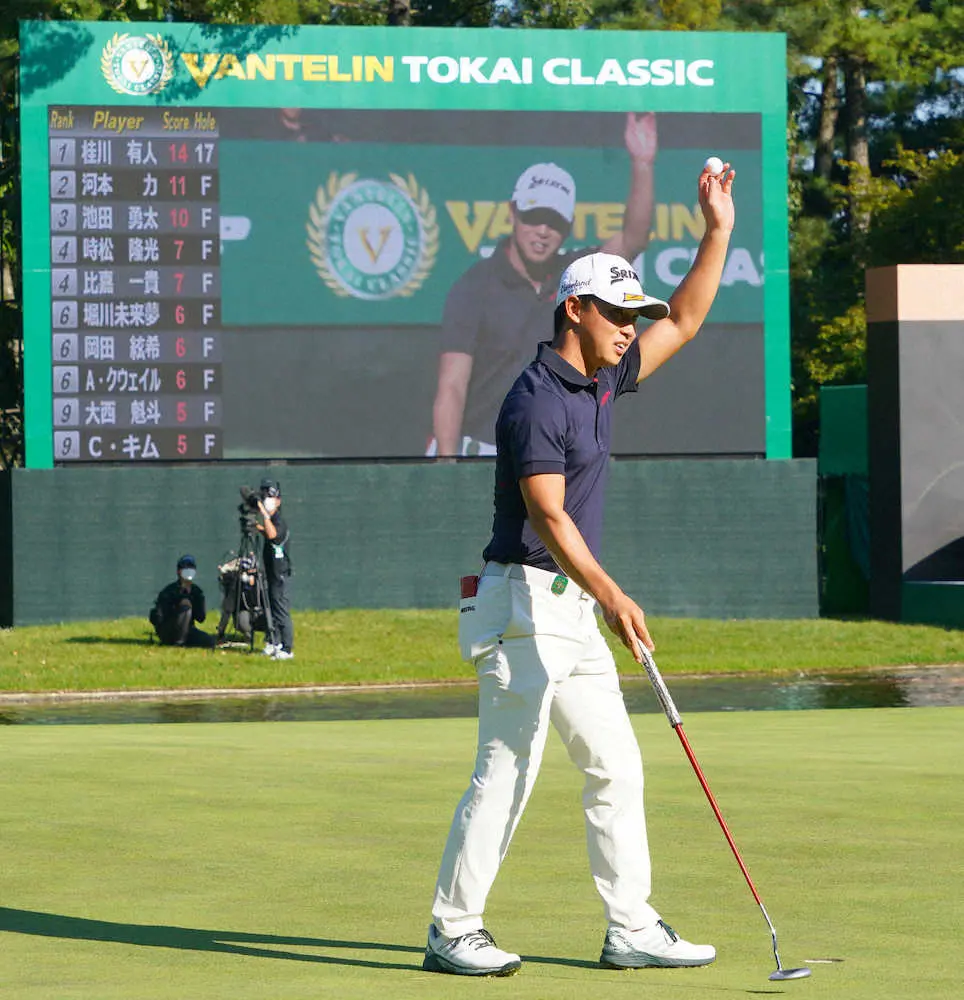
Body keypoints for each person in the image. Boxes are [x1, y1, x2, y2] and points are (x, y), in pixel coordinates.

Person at [422, 162, 736, 977]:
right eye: (619, 313)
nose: (632, 327)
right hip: (523, 603)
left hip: (571, 611)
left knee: (615, 766)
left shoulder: (599, 382)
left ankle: (629, 926)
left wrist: (718, 231)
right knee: (507, 770)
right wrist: (615, 594)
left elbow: (691, 319)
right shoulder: (534, 398)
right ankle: (453, 928)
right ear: (576, 308)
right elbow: (548, 516)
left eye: (636, 315)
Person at [429, 112, 658, 458]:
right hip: (482, 456)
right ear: (513, 213)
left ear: (567, 227)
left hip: (552, 456)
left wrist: (642, 164)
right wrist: (447, 469)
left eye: (554, 221)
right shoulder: (474, 287)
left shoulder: (577, 274)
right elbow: (452, 386)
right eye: (533, 216)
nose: (542, 230)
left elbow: (633, 238)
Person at [256, 478, 294, 660]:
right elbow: (268, 534)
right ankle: (274, 642)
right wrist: (256, 527)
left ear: (278, 500)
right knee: (270, 607)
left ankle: (287, 648)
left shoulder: (279, 520)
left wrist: (263, 515)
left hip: (280, 574)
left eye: (270, 497)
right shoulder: (271, 520)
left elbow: (274, 535)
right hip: (271, 572)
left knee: (280, 609)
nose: (267, 500)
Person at [149, 554, 216, 648]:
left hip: (188, 630)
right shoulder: (169, 591)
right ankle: (179, 643)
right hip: (168, 630)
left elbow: (201, 618)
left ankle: (184, 639)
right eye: (185, 569)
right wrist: (178, 602)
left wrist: (196, 598)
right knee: (185, 606)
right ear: (178, 571)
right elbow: (158, 618)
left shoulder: (196, 591)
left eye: (191, 569)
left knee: (209, 641)